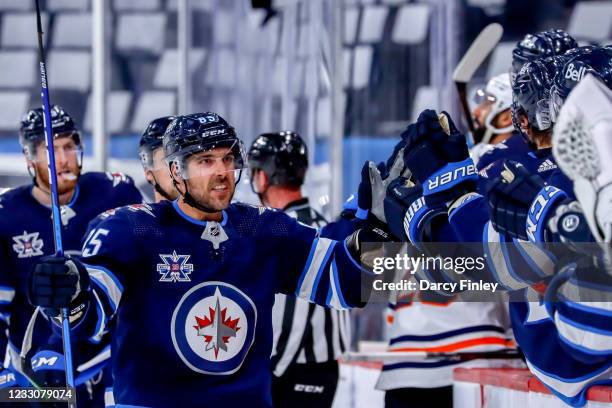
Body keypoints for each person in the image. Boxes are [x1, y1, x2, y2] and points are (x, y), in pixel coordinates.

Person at [27, 112, 396, 407]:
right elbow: (91, 318)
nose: (221, 171)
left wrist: (380, 234)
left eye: (226, 159)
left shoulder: (264, 229)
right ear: (176, 171)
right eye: (205, 160)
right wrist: (70, 293)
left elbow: (349, 285)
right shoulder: (132, 228)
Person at [0, 105, 142, 405]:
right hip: (38, 374)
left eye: (69, 146)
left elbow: (142, 278)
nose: (63, 158)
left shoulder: (115, 193)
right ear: (28, 157)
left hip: (110, 362)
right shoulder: (6, 216)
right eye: (50, 149)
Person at [248, 131, 351, 407]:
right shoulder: (323, 223)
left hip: (292, 369)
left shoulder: (281, 229)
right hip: (321, 368)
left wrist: (271, 372)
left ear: (264, 175)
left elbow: (297, 313)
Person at [139, 116, 179, 202]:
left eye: (186, 159)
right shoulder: (131, 215)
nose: (178, 169)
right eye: (169, 161)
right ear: (148, 173)